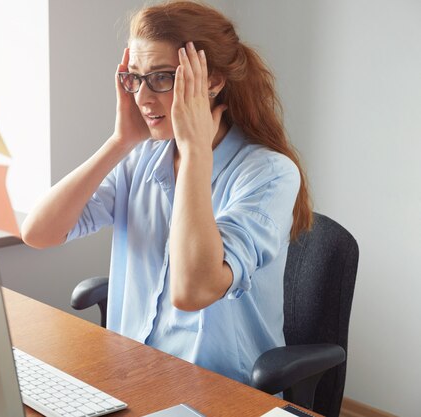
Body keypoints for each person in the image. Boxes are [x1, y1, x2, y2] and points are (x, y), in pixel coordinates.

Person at [21, 0, 312, 385]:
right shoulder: (140, 157)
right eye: (134, 78)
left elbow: (192, 291)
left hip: (218, 391)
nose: (142, 97)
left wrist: (195, 153)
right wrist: (119, 141)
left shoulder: (269, 174)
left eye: (161, 77)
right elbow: (38, 233)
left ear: (212, 80)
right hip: (132, 376)